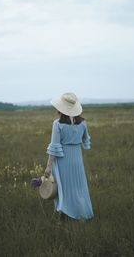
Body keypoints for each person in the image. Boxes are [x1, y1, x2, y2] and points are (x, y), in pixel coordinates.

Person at [44, 92, 94, 221]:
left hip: (63, 160)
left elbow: (54, 147)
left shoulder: (58, 124)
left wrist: (48, 167)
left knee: (63, 188)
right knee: (79, 187)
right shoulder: (83, 123)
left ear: (60, 108)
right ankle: (82, 215)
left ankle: (64, 216)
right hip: (77, 159)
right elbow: (85, 140)